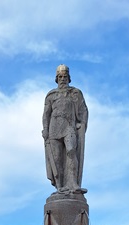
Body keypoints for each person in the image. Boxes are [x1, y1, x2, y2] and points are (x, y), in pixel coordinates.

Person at [43, 64, 88, 194]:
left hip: (69, 126)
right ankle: (60, 186)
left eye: (65, 77)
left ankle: (73, 183)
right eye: (60, 77)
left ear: (69, 78)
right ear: (56, 79)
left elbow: (83, 110)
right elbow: (46, 114)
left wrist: (82, 123)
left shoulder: (75, 93)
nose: (63, 79)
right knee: (57, 158)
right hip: (54, 128)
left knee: (71, 151)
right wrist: (45, 129)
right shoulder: (51, 95)